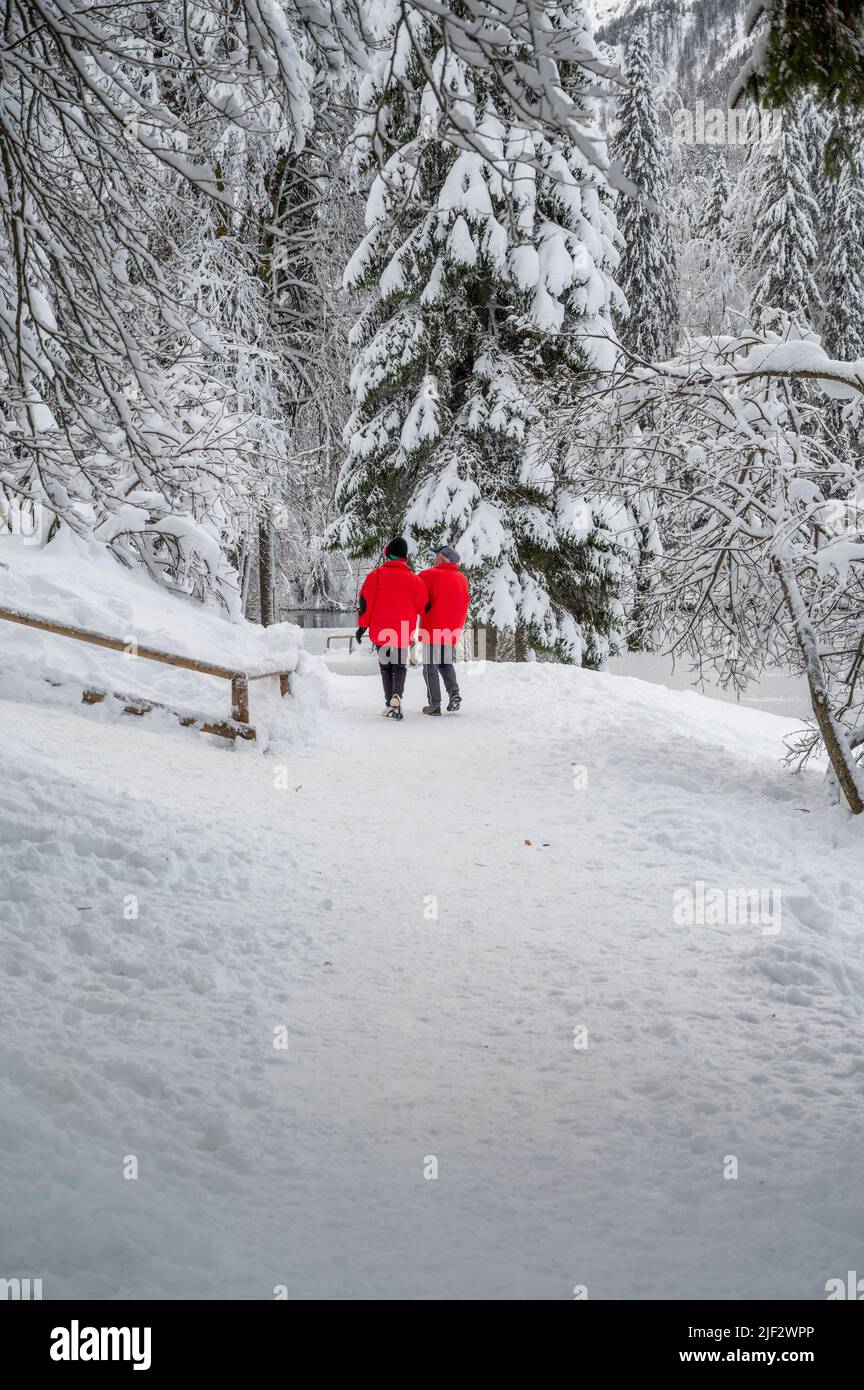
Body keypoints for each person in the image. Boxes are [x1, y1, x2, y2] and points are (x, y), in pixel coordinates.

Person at [355, 537, 428, 719]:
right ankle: (397, 696)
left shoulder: (376, 576)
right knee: (399, 666)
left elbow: (365, 604)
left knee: (386, 667)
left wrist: (362, 626)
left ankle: (390, 703)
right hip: (403, 630)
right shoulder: (414, 580)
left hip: (381, 630)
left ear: (388, 554)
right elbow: (422, 606)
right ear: (405, 557)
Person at [417, 545, 470, 715]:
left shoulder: (427, 575)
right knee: (445, 663)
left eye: (436, 555)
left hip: (432, 626)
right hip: (452, 628)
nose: (434, 558)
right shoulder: (462, 579)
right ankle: (454, 693)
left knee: (429, 666)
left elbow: (416, 596)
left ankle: (434, 704)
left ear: (442, 557)